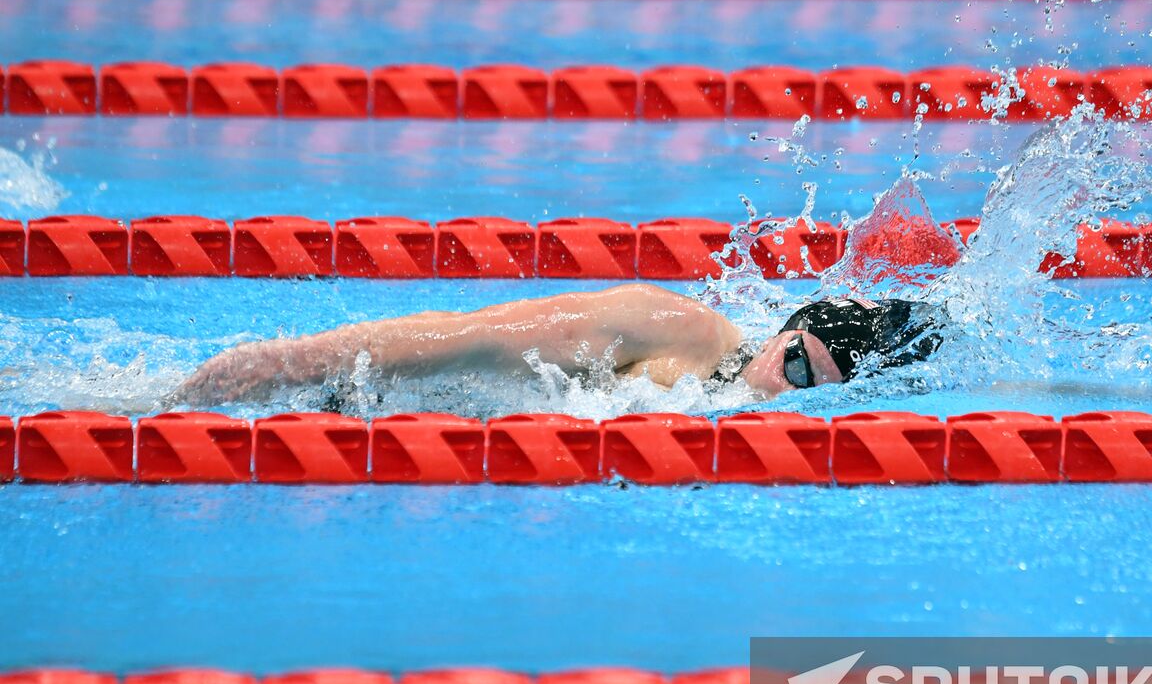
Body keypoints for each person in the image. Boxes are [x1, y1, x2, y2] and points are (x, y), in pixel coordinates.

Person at [172, 283, 944, 405]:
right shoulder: (675, 329)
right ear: (788, 329)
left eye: (813, 391)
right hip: (346, 410)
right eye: (797, 362)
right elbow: (469, 339)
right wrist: (290, 364)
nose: (786, 390)